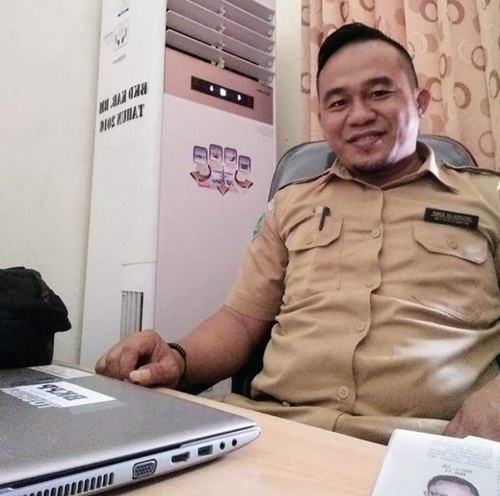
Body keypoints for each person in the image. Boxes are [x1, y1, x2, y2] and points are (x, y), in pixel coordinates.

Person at [96, 23, 500, 445]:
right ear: (323, 119)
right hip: (274, 430)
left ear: (420, 101)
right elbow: (240, 321)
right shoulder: (291, 205)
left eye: (380, 93)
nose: (359, 115)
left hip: (426, 447)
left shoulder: (488, 198)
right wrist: (176, 358)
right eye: (338, 102)